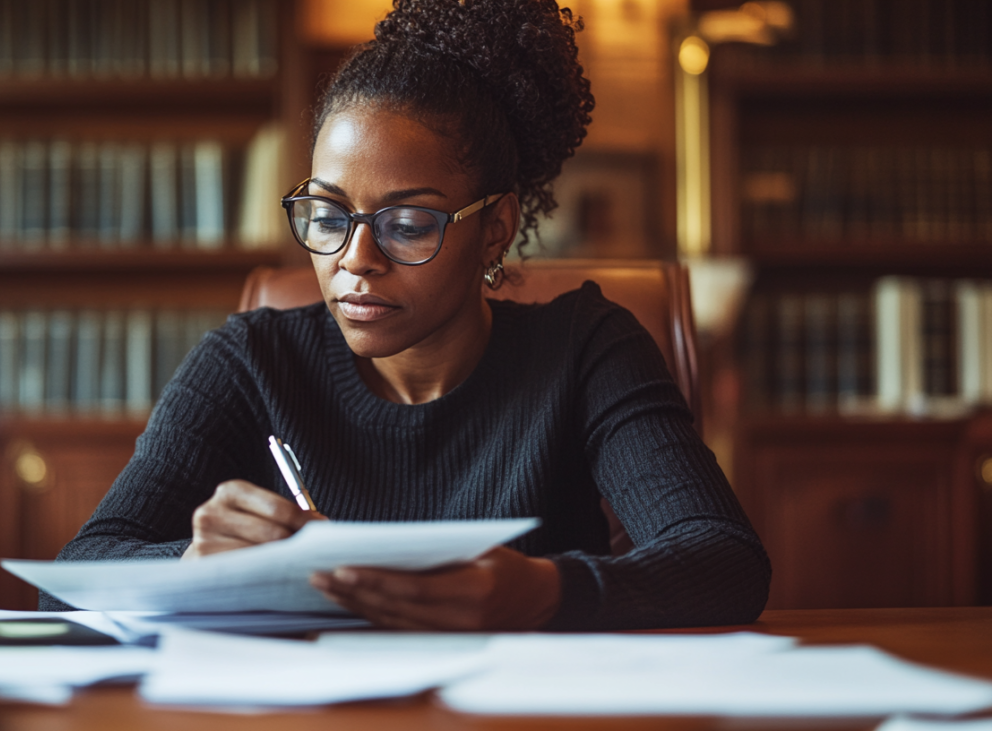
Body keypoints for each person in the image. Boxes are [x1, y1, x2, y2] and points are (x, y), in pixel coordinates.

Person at [44, 0, 771, 630]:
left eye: (409, 223)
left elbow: (724, 557)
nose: (355, 257)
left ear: (495, 227)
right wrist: (190, 563)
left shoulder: (584, 348)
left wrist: (544, 590)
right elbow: (73, 577)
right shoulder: (250, 360)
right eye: (329, 214)